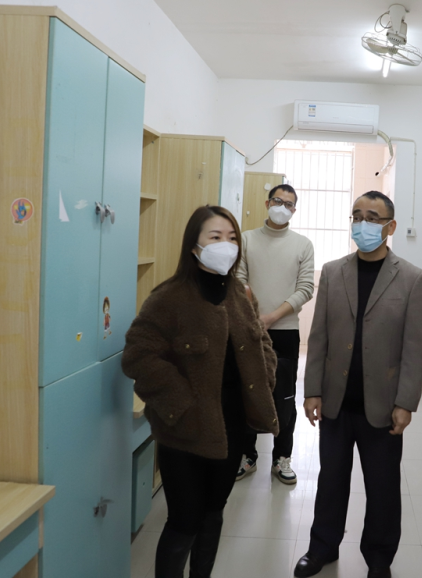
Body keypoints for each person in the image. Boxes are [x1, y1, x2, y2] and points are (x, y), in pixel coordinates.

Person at [122, 205, 279, 578]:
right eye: (215, 236)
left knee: (213, 513)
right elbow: (138, 356)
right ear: (194, 246)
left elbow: (262, 341)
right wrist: (182, 403)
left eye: (232, 238)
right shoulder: (169, 297)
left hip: (232, 425)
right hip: (185, 430)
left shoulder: (241, 294)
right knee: (184, 520)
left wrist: (266, 375)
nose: (226, 244)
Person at [294, 191, 422, 578]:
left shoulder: (412, 279)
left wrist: (405, 402)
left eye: (372, 217)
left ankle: (379, 557)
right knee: (331, 480)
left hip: (383, 405)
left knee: (383, 486)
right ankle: (322, 547)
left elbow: (413, 348)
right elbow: (318, 336)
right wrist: (312, 390)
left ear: (390, 226)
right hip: (336, 401)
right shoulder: (333, 272)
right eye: (357, 216)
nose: (362, 224)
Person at [236, 184, 314, 484]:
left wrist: (271, 317)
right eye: (278, 201)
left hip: (285, 331)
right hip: (249, 329)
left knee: (284, 397)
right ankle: (247, 455)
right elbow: (239, 279)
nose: (283, 207)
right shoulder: (246, 239)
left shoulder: (302, 244)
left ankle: (282, 458)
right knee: (247, 392)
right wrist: (254, 317)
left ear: (295, 210)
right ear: (268, 203)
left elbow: (305, 288)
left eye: (289, 204)